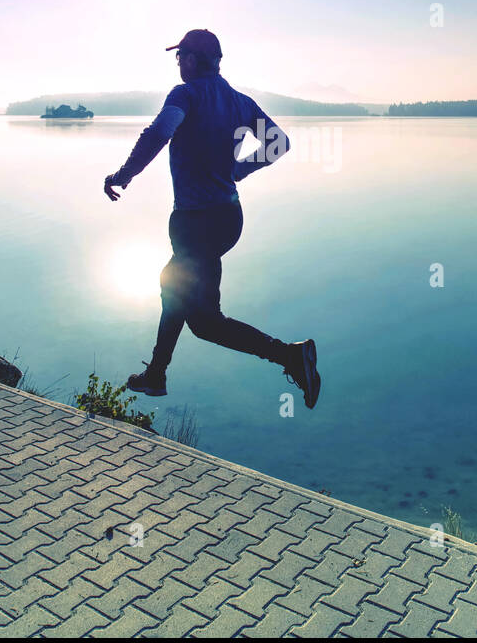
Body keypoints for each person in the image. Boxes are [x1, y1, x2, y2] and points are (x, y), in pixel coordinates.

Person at [103, 29, 321, 408]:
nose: (177, 63)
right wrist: (240, 170)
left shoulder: (184, 95)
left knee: (204, 321)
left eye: (180, 56)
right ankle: (156, 375)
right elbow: (279, 143)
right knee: (174, 286)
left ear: (192, 59)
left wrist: (123, 175)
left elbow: (159, 132)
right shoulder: (240, 102)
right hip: (228, 218)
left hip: (195, 222)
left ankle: (290, 355)